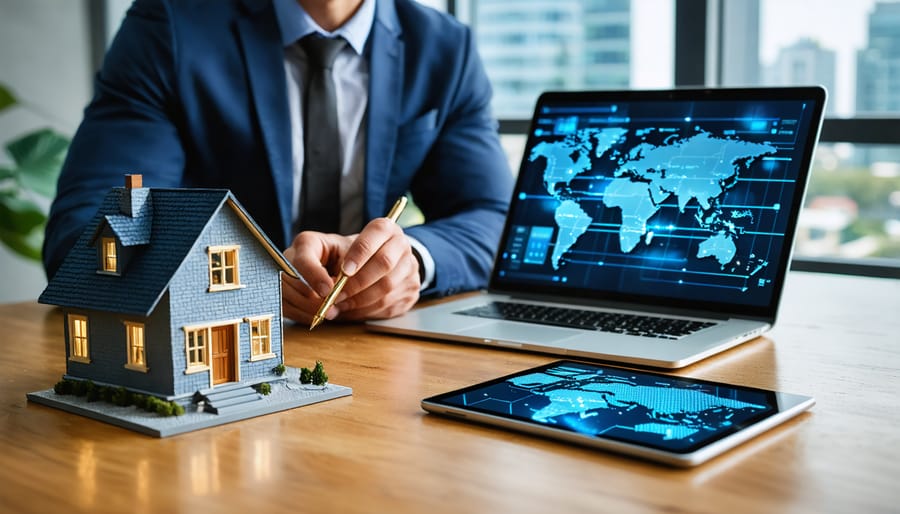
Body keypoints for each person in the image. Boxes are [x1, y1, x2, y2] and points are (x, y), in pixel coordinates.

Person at [43, 0, 513, 325]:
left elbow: (494, 219)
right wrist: (249, 276)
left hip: (382, 355)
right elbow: (86, 233)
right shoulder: (169, 27)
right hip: (217, 352)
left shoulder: (445, 48)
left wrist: (409, 260)